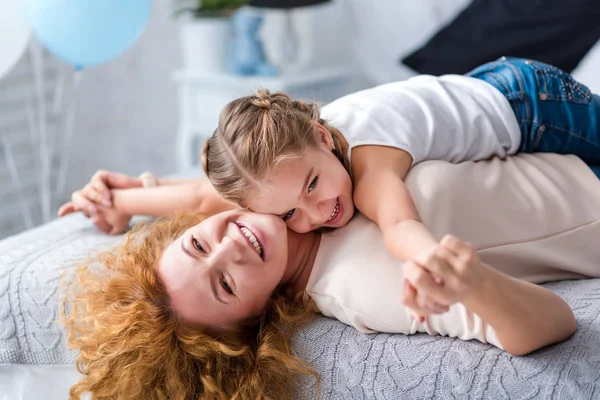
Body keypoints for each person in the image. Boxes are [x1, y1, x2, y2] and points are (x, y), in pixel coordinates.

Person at [61, 58, 600, 320]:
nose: (319, 212)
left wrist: (425, 262)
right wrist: (124, 200)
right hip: (485, 92)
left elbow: (398, 224)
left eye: (314, 185)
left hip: (531, 103)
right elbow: (210, 202)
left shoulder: (367, 163)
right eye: (291, 213)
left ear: (325, 135)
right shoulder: (291, 168)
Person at [62, 153, 600, 399]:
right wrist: (475, 285)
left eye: (200, 242)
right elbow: (553, 324)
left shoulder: (268, 197)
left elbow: (203, 196)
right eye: (225, 284)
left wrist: (123, 198)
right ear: (251, 322)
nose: (231, 246)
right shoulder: (361, 284)